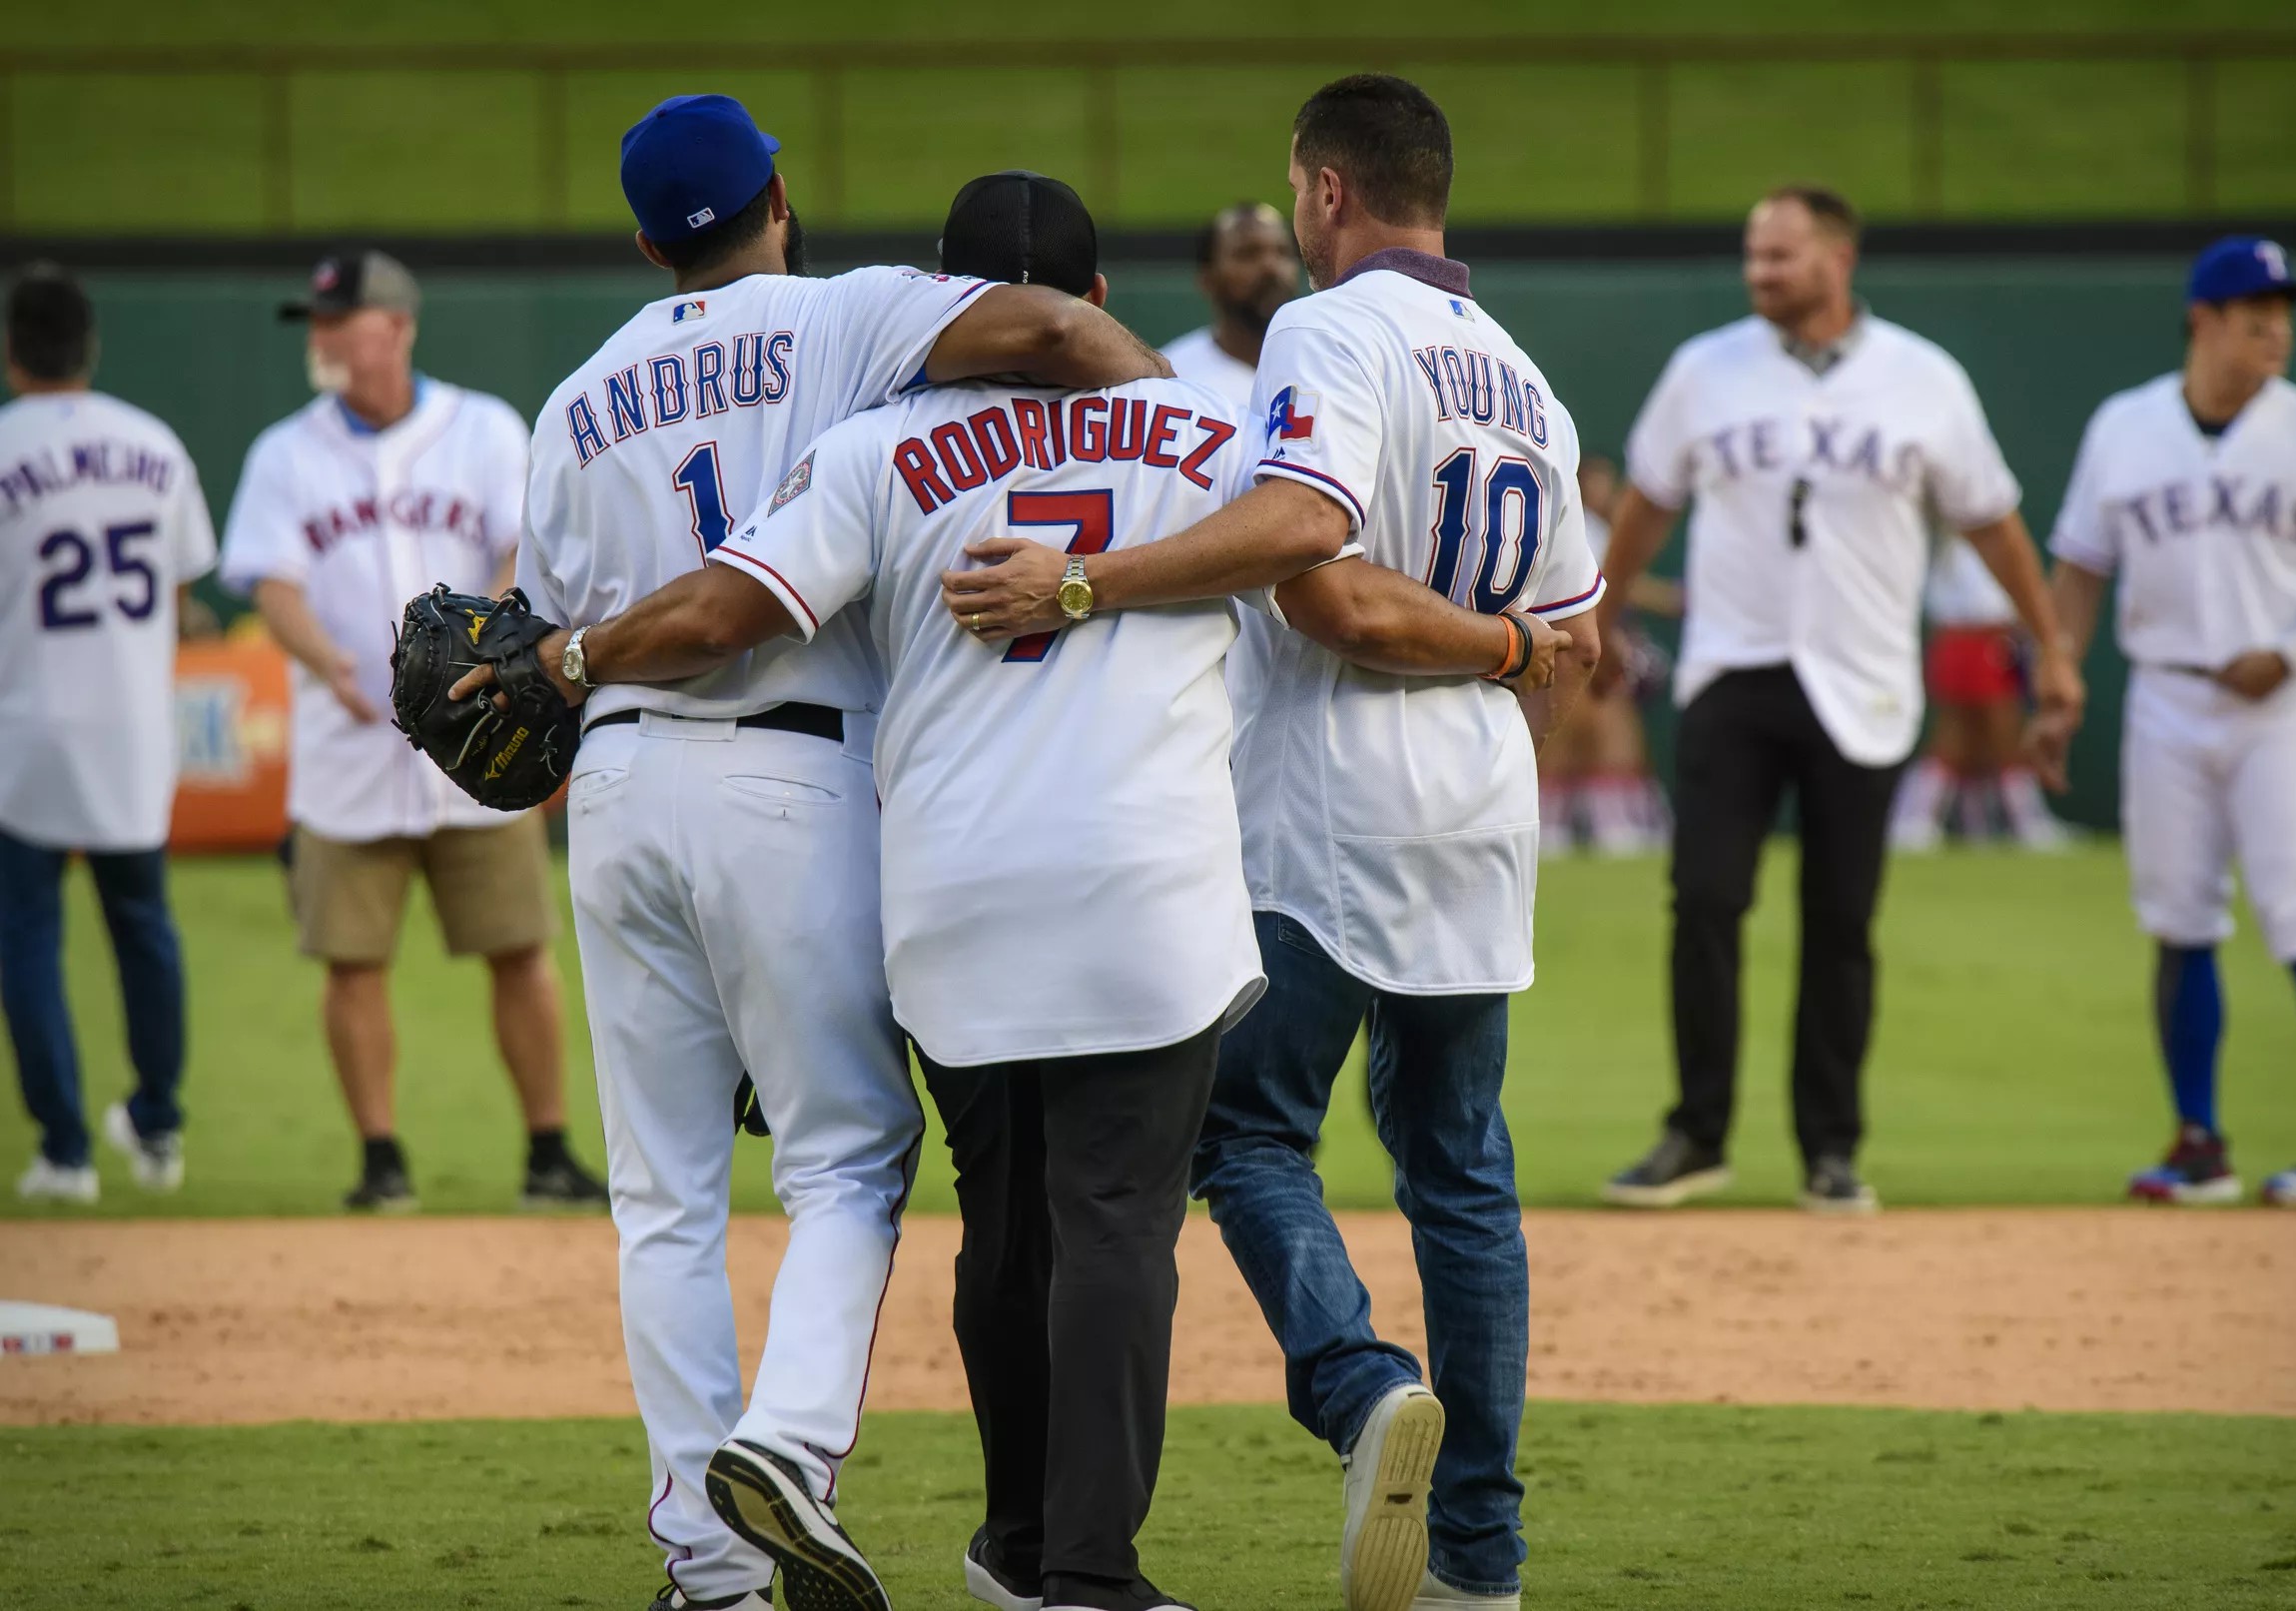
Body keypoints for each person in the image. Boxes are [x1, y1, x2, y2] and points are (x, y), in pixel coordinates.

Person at [468, 165, 1561, 1611]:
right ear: (1099, 302)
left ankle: (984, 1541)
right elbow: (1320, 566)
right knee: (1117, 1222)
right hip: (1151, 890)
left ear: (948, 297)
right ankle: (1087, 1573)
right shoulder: (1213, 432)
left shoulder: (868, 445)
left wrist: (571, 658)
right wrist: (1513, 645)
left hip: (949, 889)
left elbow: (736, 604)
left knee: (1000, 1214)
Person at [939, 76, 1604, 1611]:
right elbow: (1566, 641)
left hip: (1334, 798)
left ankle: (1360, 1385)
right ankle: (1480, 1565)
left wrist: (1088, 581)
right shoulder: (1525, 377)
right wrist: (1502, 680)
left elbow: (1318, 566)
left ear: (1323, 192)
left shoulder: (1328, 329)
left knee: (1241, 1130)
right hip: (1484, 807)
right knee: (1463, 1177)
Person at [512, 103, 1178, 1611]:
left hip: (615, 785)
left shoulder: (572, 400)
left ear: (641, 240)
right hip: (795, 776)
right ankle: (790, 1456)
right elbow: (1062, 336)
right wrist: (1177, 427)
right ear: (779, 199)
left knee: (664, 1195)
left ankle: (708, 1565)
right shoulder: (846, 313)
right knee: (844, 1159)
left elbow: (545, 634)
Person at [1597, 185, 2083, 1215]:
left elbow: (1992, 522)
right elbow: (1647, 501)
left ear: (1836, 259)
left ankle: (1828, 1147)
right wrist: (1598, 618)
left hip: (1860, 680)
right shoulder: (1704, 369)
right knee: (1708, 899)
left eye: (1778, 255)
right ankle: (1696, 1132)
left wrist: (2050, 645)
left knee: (1839, 919)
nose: (1757, 273)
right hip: (1732, 667)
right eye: (1750, 256)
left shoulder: (1920, 379)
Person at [217, 250, 603, 1213]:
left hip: (483, 742)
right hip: (347, 750)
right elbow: (268, 577)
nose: (321, 339)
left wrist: (508, 642)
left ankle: (548, 1151)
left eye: (336, 321)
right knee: (353, 960)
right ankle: (380, 1158)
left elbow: (524, 547)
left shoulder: (481, 429)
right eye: (315, 323)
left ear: (394, 326)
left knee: (519, 946)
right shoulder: (285, 452)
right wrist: (325, 662)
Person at [2037, 236, 2296, 1210]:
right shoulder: (2124, 425)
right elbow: (2077, 569)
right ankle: (2196, 1141)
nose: (2275, 331)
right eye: (2255, 316)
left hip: (2279, 699)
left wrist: (2289, 651)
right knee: (2176, 913)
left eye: (2282, 315)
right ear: (2202, 321)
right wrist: (2058, 672)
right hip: (2164, 691)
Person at [0, 266, 217, 1205]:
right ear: (90, 345)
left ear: (13, 353)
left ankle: (65, 1150)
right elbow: (182, 594)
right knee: (144, 928)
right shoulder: (155, 445)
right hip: (133, 723)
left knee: (28, 942)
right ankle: (159, 1126)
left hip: (26, 728)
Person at [1890, 535, 2074, 851]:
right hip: (1974, 641)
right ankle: (1915, 822)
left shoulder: (1959, 542)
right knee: (1978, 736)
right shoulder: (1968, 545)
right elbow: (1989, 603)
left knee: (1976, 740)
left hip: (1975, 643)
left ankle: (1941, 823)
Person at [1538, 453, 1680, 856]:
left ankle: (1590, 831)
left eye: (1608, 483)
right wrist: (1673, 599)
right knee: (1588, 739)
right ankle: (1600, 833)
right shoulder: (1579, 526)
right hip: (1565, 652)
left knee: (1588, 745)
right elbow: (1608, 586)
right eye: (1593, 483)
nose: (1602, 492)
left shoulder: (1580, 526)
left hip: (1570, 652)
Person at [1159, 201, 1299, 415]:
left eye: (1282, 252)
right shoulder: (1171, 379)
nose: (1270, 267)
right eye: (1248, 254)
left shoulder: (1327, 363)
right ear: (1207, 278)